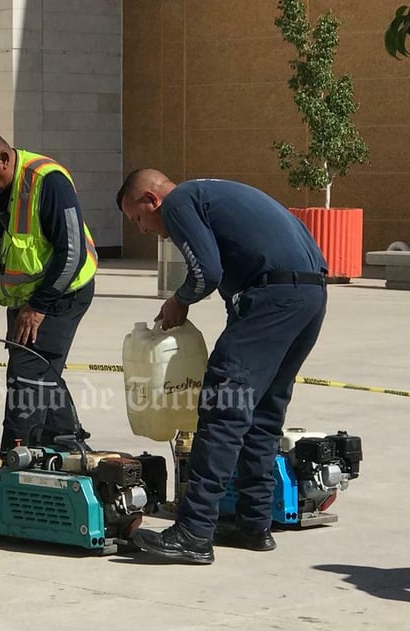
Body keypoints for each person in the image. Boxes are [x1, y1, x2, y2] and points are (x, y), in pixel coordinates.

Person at [117, 169, 327, 564]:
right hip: (309, 294)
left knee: (222, 408)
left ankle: (194, 531)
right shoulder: (213, 194)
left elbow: (206, 273)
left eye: (137, 219)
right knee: (263, 413)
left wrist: (179, 300)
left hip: (271, 298)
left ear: (151, 200)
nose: (144, 230)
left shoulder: (180, 202)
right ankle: (254, 524)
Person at [0, 128, 98, 493]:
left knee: (25, 381)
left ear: (3, 158)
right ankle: (72, 450)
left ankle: (8, 487)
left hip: (64, 292)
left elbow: (71, 252)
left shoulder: (48, 181)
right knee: (42, 374)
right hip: (23, 298)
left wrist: (39, 306)